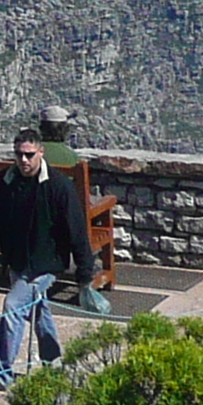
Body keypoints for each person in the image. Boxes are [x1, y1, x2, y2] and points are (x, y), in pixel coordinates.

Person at [0, 129, 91, 389]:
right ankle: (56, 363)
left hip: (45, 263)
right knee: (39, 311)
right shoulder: (5, 182)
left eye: (29, 155)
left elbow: (77, 230)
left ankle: (0, 372)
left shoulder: (59, 186)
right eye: (19, 155)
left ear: (41, 153)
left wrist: (85, 274)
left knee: (13, 305)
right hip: (17, 259)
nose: (24, 161)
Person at [36, 103, 115, 317]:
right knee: (98, 207)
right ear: (64, 129)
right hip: (64, 228)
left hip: (31, 224)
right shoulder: (70, 158)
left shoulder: (31, 156)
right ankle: (94, 268)